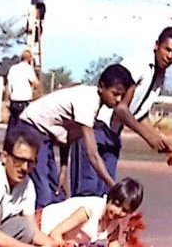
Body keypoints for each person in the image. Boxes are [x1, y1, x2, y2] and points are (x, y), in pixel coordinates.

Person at [70, 27, 172, 197]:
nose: (169, 56)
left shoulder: (160, 77)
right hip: (96, 127)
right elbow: (120, 108)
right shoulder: (138, 65)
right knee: (86, 193)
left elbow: (139, 114)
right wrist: (148, 137)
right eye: (167, 49)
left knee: (106, 195)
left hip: (113, 134)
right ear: (156, 45)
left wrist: (162, 143)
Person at [17, 64, 135, 208]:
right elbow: (93, 155)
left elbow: (67, 136)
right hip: (31, 130)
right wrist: (113, 186)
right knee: (43, 194)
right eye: (115, 93)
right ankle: (33, 228)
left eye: (121, 95)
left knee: (57, 194)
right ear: (101, 87)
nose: (118, 100)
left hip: (45, 136)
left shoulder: (94, 104)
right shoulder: (88, 102)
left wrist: (64, 169)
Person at [40, 177, 144, 247]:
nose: (118, 212)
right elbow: (56, 232)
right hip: (42, 229)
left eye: (125, 210)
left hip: (61, 240)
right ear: (110, 198)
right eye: (116, 204)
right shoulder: (88, 211)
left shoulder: (116, 224)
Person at [5, 49, 39, 126]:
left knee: (13, 123)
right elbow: (36, 83)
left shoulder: (13, 68)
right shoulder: (28, 69)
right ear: (29, 58)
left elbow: (9, 86)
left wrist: (7, 100)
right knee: (23, 124)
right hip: (24, 100)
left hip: (14, 100)